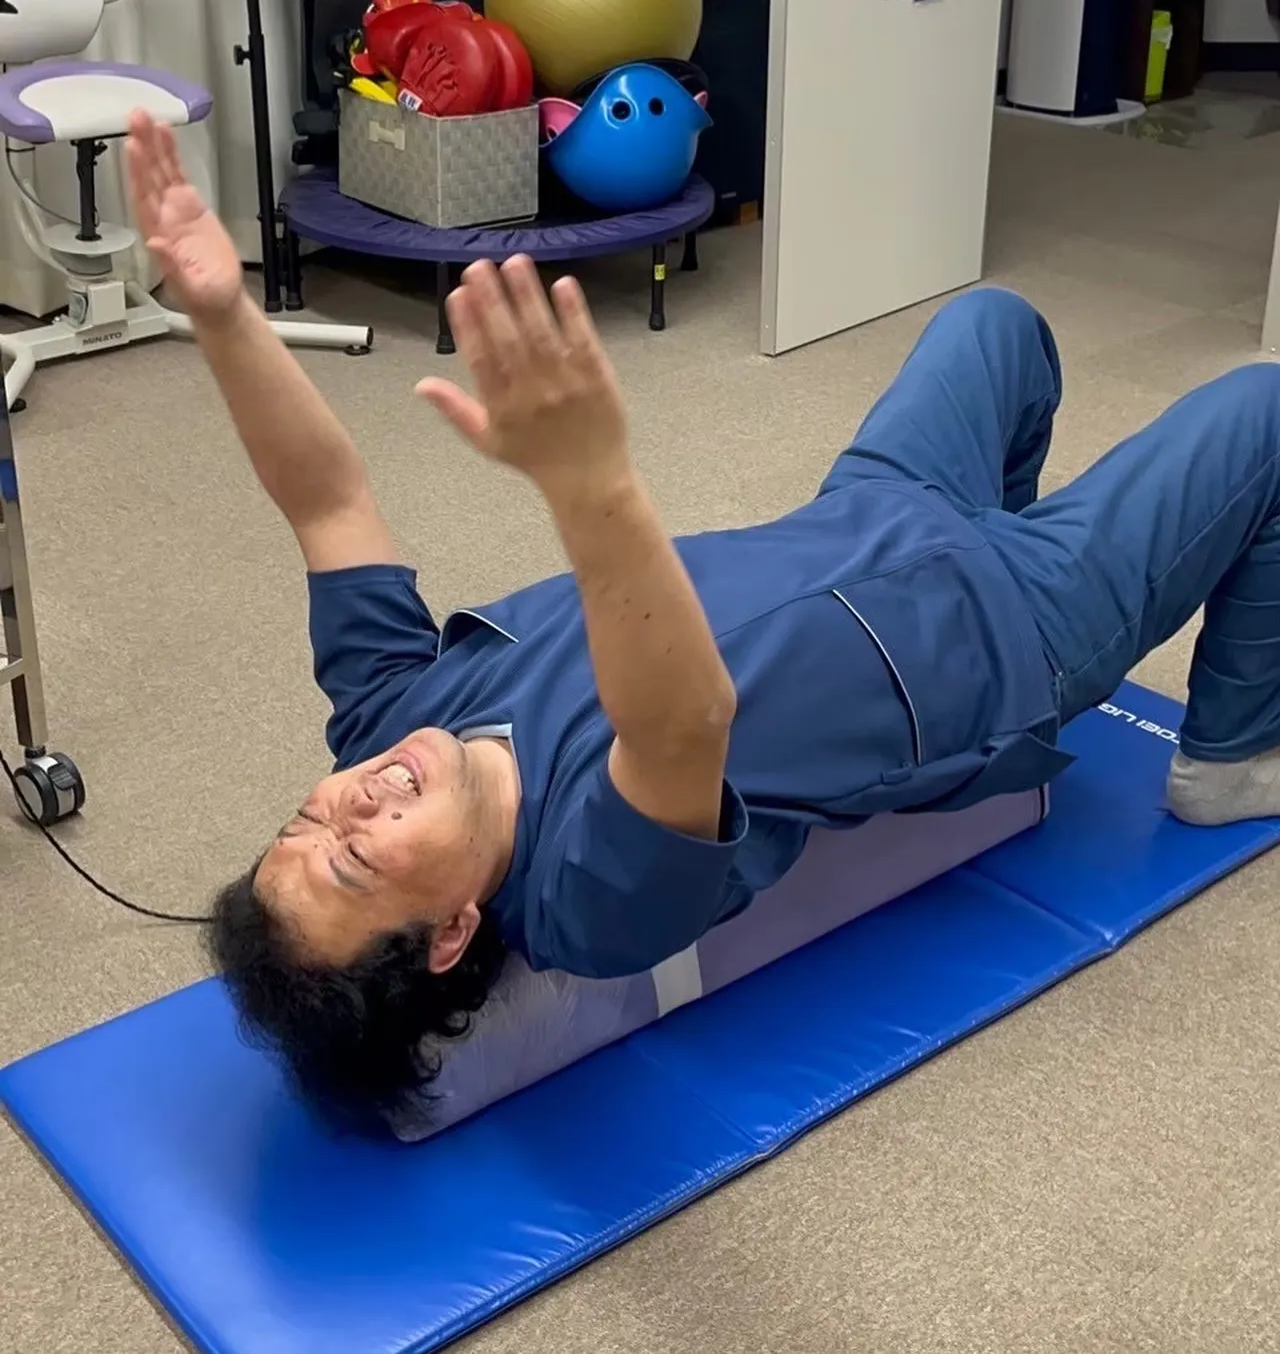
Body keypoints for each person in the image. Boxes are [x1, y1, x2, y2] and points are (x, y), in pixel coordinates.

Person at [126, 112, 1280, 1127]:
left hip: (866, 515)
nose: (349, 799)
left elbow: (325, 501)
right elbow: (681, 721)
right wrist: (587, 482)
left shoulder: (389, 710)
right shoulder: (589, 899)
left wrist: (222, 313)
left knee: (996, 323)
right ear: (449, 933)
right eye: (354, 857)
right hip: (1001, 635)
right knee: (1263, 407)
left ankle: (1048, 533)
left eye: (307, 816)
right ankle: (1227, 757)